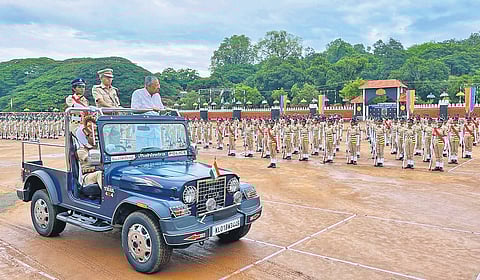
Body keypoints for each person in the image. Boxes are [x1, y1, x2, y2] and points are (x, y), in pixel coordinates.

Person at [76, 115, 102, 191]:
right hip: (86, 177)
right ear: (85, 138)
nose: (96, 137)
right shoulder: (81, 151)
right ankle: (108, 199)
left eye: (96, 135)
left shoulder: (98, 148)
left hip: (98, 171)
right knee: (100, 174)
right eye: (92, 136)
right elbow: (94, 158)